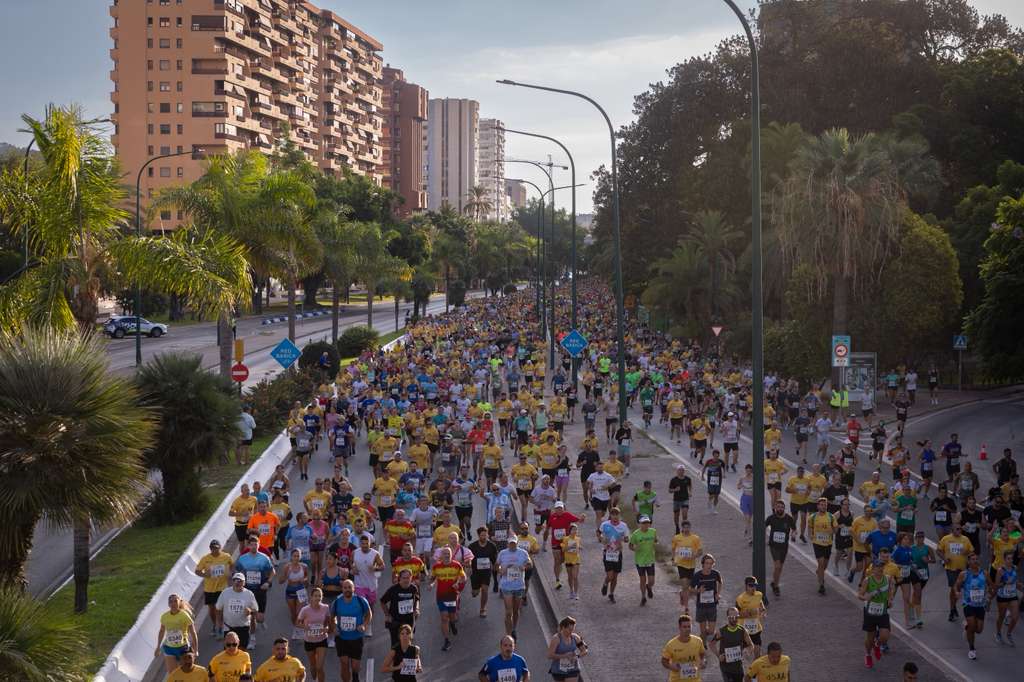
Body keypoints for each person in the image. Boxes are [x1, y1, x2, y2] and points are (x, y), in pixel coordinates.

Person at [331, 579, 371, 682]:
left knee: (355, 666)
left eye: (349, 587)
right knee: (344, 664)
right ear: (342, 589)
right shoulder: (336, 602)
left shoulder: (361, 601)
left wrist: (364, 625)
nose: (347, 589)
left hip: (356, 638)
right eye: (345, 587)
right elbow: (331, 618)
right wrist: (334, 627)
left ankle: (355, 676)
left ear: (353, 589)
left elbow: (368, 614)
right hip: (341, 638)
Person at [859, 558, 895, 669]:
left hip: (883, 611)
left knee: (885, 636)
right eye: (878, 567)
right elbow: (860, 595)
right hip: (870, 612)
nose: (880, 569)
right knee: (870, 637)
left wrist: (890, 599)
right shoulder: (867, 580)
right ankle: (868, 655)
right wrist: (866, 597)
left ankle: (877, 645)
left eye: (881, 567)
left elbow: (890, 590)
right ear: (873, 568)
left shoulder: (888, 579)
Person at [431, 545, 467, 652]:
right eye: (444, 554)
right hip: (441, 596)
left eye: (448, 554)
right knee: (444, 617)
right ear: (441, 556)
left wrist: (458, 582)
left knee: (452, 617)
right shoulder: (436, 567)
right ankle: (447, 640)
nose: (446, 555)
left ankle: (452, 623)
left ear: (451, 555)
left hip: (452, 596)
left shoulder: (457, 565)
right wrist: (431, 584)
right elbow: (432, 578)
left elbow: (463, 577)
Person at [195, 539, 234, 637]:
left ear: (220, 548)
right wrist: (204, 574)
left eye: (216, 548)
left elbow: (232, 564)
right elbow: (197, 571)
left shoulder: (226, 556)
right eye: (212, 548)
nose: (214, 550)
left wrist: (231, 573)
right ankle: (214, 624)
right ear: (210, 549)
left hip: (222, 587)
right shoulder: (205, 559)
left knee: (220, 608)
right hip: (209, 589)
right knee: (212, 609)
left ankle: (221, 626)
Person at [955, 552, 989, 660]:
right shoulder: (964, 574)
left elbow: (992, 586)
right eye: (973, 559)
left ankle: (966, 627)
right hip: (968, 604)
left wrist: (989, 598)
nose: (975, 561)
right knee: (972, 626)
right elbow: (957, 585)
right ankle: (972, 649)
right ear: (968, 562)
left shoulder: (985, 573)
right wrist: (957, 592)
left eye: (976, 559)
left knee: (978, 630)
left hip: (980, 605)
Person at [937, 522, 974, 621]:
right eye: (957, 529)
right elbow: (938, 550)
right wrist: (944, 559)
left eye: (960, 529)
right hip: (951, 568)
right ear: (952, 530)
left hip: (962, 569)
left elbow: (971, 552)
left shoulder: (965, 539)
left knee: (955, 590)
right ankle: (952, 611)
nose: (959, 531)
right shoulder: (946, 539)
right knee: (955, 588)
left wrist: (967, 553)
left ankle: (953, 608)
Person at [497, 535, 533, 638]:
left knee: (516, 611)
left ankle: (514, 629)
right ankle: (508, 635)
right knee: (508, 612)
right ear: (507, 543)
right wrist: (501, 569)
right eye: (510, 543)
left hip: (519, 586)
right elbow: (496, 565)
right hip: (506, 586)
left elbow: (530, 564)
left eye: (514, 543)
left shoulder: (523, 553)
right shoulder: (502, 553)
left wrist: (524, 566)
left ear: (517, 543)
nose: (512, 545)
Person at [154, 593, 198, 674]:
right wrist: (158, 647)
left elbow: (193, 632)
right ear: (168, 604)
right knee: (173, 673)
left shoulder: (184, 615)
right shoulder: (164, 616)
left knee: (186, 672)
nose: (173, 603)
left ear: (179, 602)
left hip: (183, 648)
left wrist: (196, 649)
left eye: (175, 601)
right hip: (169, 648)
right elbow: (161, 631)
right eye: (171, 602)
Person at [707, 607, 753, 682]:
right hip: (726, 666)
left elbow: (751, 644)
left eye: (736, 617)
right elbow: (711, 644)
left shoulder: (742, 630)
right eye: (731, 617)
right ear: (728, 617)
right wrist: (718, 655)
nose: (734, 619)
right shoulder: (722, 631)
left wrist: (748, 651)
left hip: (738, 666)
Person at [216, 573, 259, 651]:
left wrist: (250, 611)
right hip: (228, 627)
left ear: (244, 583)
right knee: (228, 650)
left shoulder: (249, 594)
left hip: (243, 628)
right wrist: (219, 624)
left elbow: (255, 609)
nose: (237, 582)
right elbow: (218, 609)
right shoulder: (225, 593)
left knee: (241, 651)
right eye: (235, 580)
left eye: (240, 581)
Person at [296, 587, 331, 682]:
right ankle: (314, 679)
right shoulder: (305, 610)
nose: (317, 598)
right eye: (315, 596)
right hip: (309, 640)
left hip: (322, 640)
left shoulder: (325, 608)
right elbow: (297, 622)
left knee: (319, 667)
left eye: (319, 596)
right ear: (311, 597)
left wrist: (326, 628)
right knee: (313, 666)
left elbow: (328, 622)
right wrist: (304, 627)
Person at [660, 614, 706, 682]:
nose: (687, 629)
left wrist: (702, 661)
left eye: (689, 626)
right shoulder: (671, 644)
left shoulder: (698, 641)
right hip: (677, 680)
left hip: (695, 680)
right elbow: (664, 661)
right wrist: (671, 666)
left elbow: (702, 653)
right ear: (679, 627)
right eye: (684, 627)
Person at [598, 506, 629, 602]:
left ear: (619, 515)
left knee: (615, 576)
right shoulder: (605, 524)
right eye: (613, 514)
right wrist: (602, 540)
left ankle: (611, 594)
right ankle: (605, 584)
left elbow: (627, 539)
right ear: (610, 515)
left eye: (617, 515)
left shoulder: (623, 526)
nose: (615, 517)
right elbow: (598, 533)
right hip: (607, 553)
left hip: (618, 553)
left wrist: (623, 539)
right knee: (610, 576)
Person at [765, 500, 795, 597]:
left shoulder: (788, 519)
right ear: (775, 508)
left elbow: (794, 528)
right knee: (777, 566)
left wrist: (793, 534)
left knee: (780, 568)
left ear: (784, 508)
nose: (780, 509)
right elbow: (763, 527)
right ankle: (776, 587)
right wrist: (764, 538)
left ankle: (774, 582)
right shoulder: (771, 518)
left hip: (784, 546)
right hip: (773, 546)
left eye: (781, 507)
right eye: (778, 507)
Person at [808, 497, 837, 594]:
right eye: (821, 505)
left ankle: (819, 572)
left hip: (828, 544)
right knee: (820, 563)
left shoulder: (831, 517)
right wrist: (811, 536)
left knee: (824, 565)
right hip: (817, 543)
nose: (823, 506)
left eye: (825, 505)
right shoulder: (813, 517)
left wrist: (832, 530)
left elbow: (836, 530)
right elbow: (810, 527)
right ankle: (821, 585)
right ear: (818, 506)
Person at [671, 520, 702, 613]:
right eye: (684, 527)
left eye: (688, 527)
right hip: (681, 564)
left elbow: (700, 551)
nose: (686, 529)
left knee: (688, 586)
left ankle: (682, 594)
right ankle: (686, 607)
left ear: (690, 527)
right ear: (682, 528)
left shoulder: (695, 538)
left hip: (691, 564)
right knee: (685, 585)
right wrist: (673, 559)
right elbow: (673, 549)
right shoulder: (677, 538)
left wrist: (694, 556)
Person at [469, 526, 499, 616]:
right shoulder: (472, 546)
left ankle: (482, 609)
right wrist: (468, 567)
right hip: (475, 572)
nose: (484, 537)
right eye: (482, 535)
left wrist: (497, 568)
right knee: (475, 593)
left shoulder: (492, 546)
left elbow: (494, 560)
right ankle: (474, 590)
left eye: (485, 535)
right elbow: (468, 559)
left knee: (485, 590)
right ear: (478, 536)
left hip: (486, 572)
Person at [546, 616, 588, 681]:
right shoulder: (556, 639)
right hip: (558, 670)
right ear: (563, 627)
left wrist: (577, 656)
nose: (571, 631)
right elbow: (549, 655)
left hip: (573, 669)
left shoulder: (575, 637)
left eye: (573, 629)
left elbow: (584, 650)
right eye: (569, 629)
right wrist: (564, 656)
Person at [692, 554, 723, 640]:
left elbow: (720, 582)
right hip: (701, 606)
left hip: (712, 605)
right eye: (707, 563)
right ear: (703, 564)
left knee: (711, 631)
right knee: (703, 631)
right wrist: (698, 591)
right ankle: (702, 645)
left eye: (711, 563)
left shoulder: (715, 574)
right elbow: (690, 589)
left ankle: (703, 637)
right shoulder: (697, 575)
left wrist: (718, 594)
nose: (709, 565)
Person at [735, 577, 767, 658]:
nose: (753, 588)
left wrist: (763, 611)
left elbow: (760, 603)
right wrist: (749, 613)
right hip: (744, 630)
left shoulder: (759, 594)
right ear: (746, 586)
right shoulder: (740, 598)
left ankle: (756, 669)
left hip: (756, 629)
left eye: (755, 586)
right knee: (741, 655)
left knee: (757, 654)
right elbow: (736, 615)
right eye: (751, 586)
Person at [629, 515, 658, 605]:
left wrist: (655, 543)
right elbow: (630, 546)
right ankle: (643, 597)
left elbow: (656, 540)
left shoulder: (653, 531)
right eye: (643, 523)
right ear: (640, 524)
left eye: (647, 523)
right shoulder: (635, 534)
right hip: (640, 561)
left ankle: (649, 587)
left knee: (652, 581)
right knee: (642, 579)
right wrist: (635, 548)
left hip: (650, 560)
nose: (646, 525)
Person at [993, 549, 1019, 645]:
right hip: (1002, 596)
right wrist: (1004, 583)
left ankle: (1009, 634)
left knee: (1015, 617)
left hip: (1013, 595)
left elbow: (1016, 580)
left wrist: (1019, 584)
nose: (1010, 560)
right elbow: (996, 585)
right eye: (1008, 559)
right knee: (1001, 616)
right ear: (1004, 559)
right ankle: (998, 633)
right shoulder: (1001, 570)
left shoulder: (1015, 568)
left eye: (1012, 558)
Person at [668, 465, 692, 532]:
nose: (681, 471)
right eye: (679, 470)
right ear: (677, 471)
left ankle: (683, 529)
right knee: (676, 515)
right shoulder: (673, 480)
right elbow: (669, 490)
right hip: (676, 500)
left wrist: (690, 492)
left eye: (682, 470)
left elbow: (690, 486)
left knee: (685, 514)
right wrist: (675, 490)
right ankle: (677, 526)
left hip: (685, 499)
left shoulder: (688, 479)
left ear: (684, 471)